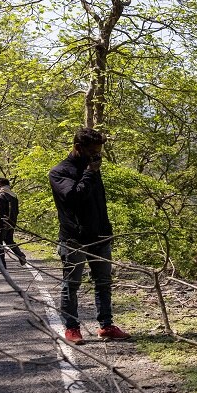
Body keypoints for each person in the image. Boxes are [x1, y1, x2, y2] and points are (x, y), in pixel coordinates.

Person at [49, 127, 131, 345]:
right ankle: (72, 328)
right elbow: (74, 198)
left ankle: (106, 326)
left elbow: (98, 203)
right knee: (71, 284)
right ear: (78, 147)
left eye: (99, 152)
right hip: (74, 239)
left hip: (100, 236)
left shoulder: (92, 168)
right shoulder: (59, 172)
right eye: (93, 151)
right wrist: (89, 172)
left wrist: (107, 229)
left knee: (103, 282)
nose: (96, 156)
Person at [0, 177, 27, 268]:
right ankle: (20, 255)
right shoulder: (13, 195)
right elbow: (17, 211)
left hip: (2, 224)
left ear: (0, 185)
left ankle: (1, 265)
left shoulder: (0, 195)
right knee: (9, 240)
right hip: (11, 223)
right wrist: (12, 222)